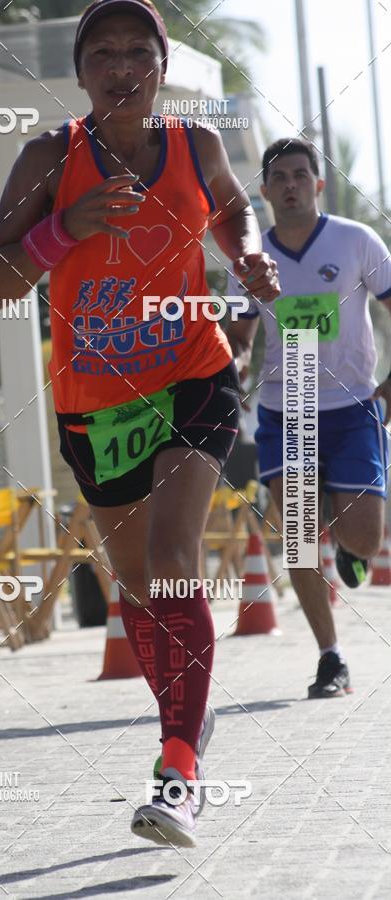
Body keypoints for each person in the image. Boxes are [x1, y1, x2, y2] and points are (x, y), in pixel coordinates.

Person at [0, 0, 279, 847]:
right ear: (79, 72)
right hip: (95, 400)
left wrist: (245, 249)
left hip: (193, 373)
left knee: (177, 560)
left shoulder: (195, 143)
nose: (120, 66)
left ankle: (177, 768)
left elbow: (229, 208)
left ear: (162, 65)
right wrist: (63, 230)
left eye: (136, 51)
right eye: (101, 53)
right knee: (141, 588)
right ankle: (192, 723)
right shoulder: (49, 157)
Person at [226, 137, 391, 699]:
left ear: (318, 185)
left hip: (352, 409)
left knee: (367, 539)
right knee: (296, 537)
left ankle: (350, 550)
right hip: (285, 406)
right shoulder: (249, 261)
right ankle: (330, 657)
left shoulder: (356, 241)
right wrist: (234, 370)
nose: (292, 185)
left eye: (302, 175)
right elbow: (240, 336)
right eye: (281, 177)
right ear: (267, 190)